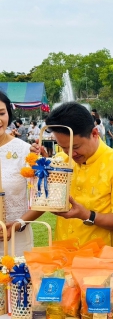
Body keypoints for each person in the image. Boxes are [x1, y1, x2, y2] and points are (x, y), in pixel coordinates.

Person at [25, 102, 113, 246]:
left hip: (103, 260)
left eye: (75, 147)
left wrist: (87, 215)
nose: (70, 153)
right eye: (63, 147)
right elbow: (46, 199)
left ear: (94, 133)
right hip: (64, 253)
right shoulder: (60, 161)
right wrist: (40, 167)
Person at [0, 92, 34, 255]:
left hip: (17, 240)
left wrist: (19, 223)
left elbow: (41, 198)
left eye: (1, 113)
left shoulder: (23, 150)